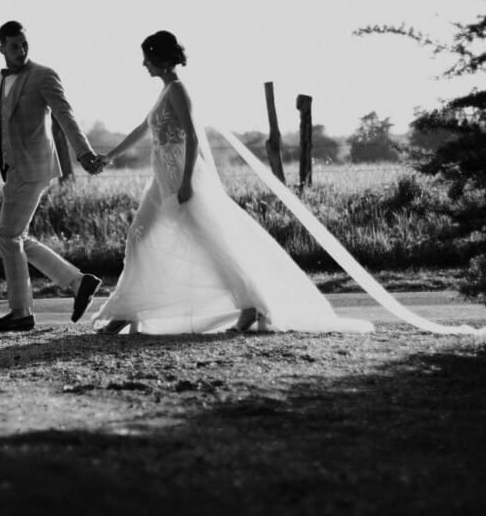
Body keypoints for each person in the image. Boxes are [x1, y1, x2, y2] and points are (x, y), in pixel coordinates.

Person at [90, 31, 374, 336]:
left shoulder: (176, 89)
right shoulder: (163, 92)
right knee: (140, 237)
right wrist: (109, 156)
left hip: (180, 177)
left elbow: (193, 136)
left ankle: (251, 305)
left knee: (213, 245)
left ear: (158, 57)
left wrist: (186, 183)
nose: (143, 63)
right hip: (162, 179)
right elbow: (142, 129)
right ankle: (128, 312)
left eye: (146, 56)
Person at [0, 20, 106, 332]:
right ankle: (78, 283)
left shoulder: (43, 75)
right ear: (1, 48)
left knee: (7, 236)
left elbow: (65, 115)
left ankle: (21, 313)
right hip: (14, 169)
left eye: (24, 44)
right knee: (16, 236)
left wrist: (83, 153)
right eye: (14, 46)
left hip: (34, 168)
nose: (21, 50)